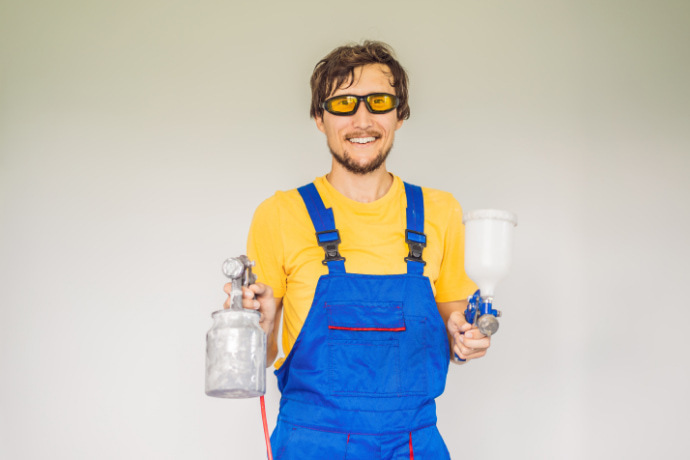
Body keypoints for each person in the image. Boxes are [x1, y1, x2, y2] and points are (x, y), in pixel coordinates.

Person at [224, 40, 491, 459]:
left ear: (399, 115)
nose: (362, 120)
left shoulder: (440, 212)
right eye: (343, 103)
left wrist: (469, 339)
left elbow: (458, 329)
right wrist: (255, 321)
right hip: (311, 443)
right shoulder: (279, 214)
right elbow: (266, 350)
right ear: (319, 117)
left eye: (379, 102)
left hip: (412, 444)